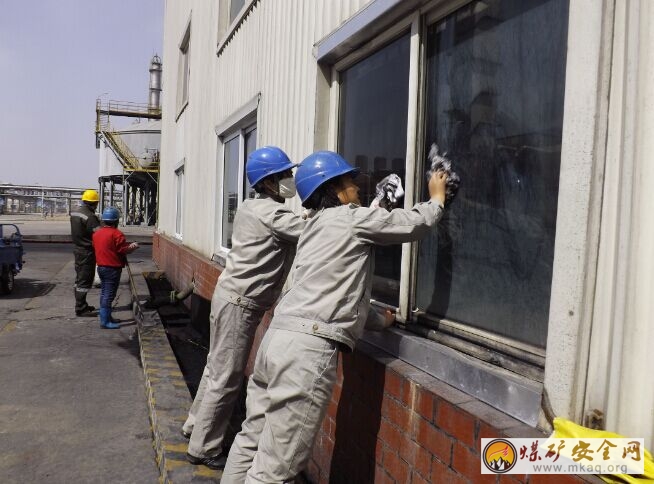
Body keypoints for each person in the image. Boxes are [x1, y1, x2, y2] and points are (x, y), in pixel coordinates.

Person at [222, 151, 448, 483]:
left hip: (275, 344)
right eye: (351, 182)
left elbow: (331, 291)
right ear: (334, 188)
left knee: (251, 438)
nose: (357, 188)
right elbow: (412, 224)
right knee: (274, 470)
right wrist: (437, 199)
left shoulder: (312, 228)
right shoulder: (351, 218)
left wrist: (376, 319)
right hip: (305, 354)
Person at [185, 146, 306, 470]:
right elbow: (314, 234)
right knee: (227, 376)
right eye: (284, 175)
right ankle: (203, 447)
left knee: (215, 368)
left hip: (228, 297)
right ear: (267, 183)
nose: (290, 180)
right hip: (239, 304)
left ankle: (195, 425)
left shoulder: (252, 207)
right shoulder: (273, 213)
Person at [92, 207, 139, 329]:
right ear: (116, 221)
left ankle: (107, 317)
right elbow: (122, 250)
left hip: (101, 267)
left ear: (104, 221)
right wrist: (132, 247)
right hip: (112, 268)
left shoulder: (97, 234)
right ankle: (105, 322)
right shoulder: (117, 234)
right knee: (109, 294)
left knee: (104, 293)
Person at [70, 189, 101, 316]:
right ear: (95, 203)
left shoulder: (76, 213)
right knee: (84, 280)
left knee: (79, 278)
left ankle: (82, 304)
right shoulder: (90, 216)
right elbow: (99, 234)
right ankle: (81, 308)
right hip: (87, 251)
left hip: (78, 249)